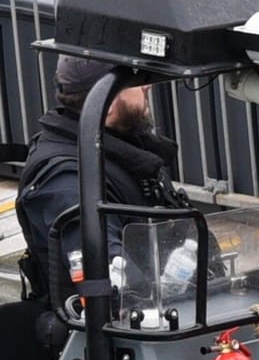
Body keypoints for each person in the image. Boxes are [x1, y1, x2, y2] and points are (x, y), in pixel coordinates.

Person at [14, 56, 192, 310]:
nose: (147, 86)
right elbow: (116, 285)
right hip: (116, 337)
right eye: (136, 82)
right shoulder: (66, 182)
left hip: (176, 312)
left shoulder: (121, 151)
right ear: (106, 104)